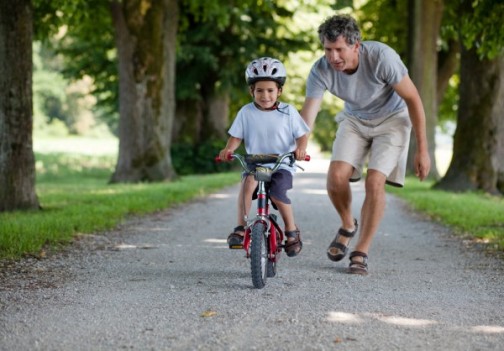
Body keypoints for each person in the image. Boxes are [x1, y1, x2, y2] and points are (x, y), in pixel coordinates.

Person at [300, 15, 431, 274]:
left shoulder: (382, 58)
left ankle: (361, 250)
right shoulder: (320, 70)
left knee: (374, 181)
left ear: (356, 46)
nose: (333, 57)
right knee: (336, 176)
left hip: (393, 120)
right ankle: (348, 224)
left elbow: (414, 99)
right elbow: (309, 113)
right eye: (328, 49)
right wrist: (300, 145)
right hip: (355, 120)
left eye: (340, 49)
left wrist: (423, 150)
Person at [219, 57, 309, 257]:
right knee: (247, 184)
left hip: (281, 163)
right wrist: (228, 149)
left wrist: (300, 149)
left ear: (279, 91)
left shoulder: (288, 112)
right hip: (256, 163)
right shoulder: (246, 112)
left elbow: (302, 135)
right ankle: (240, 228)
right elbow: (236, 137)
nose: (265, 95)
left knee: (278, 193)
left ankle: (291, 231)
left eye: (270, 90)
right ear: (252, 91)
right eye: (259, 90)